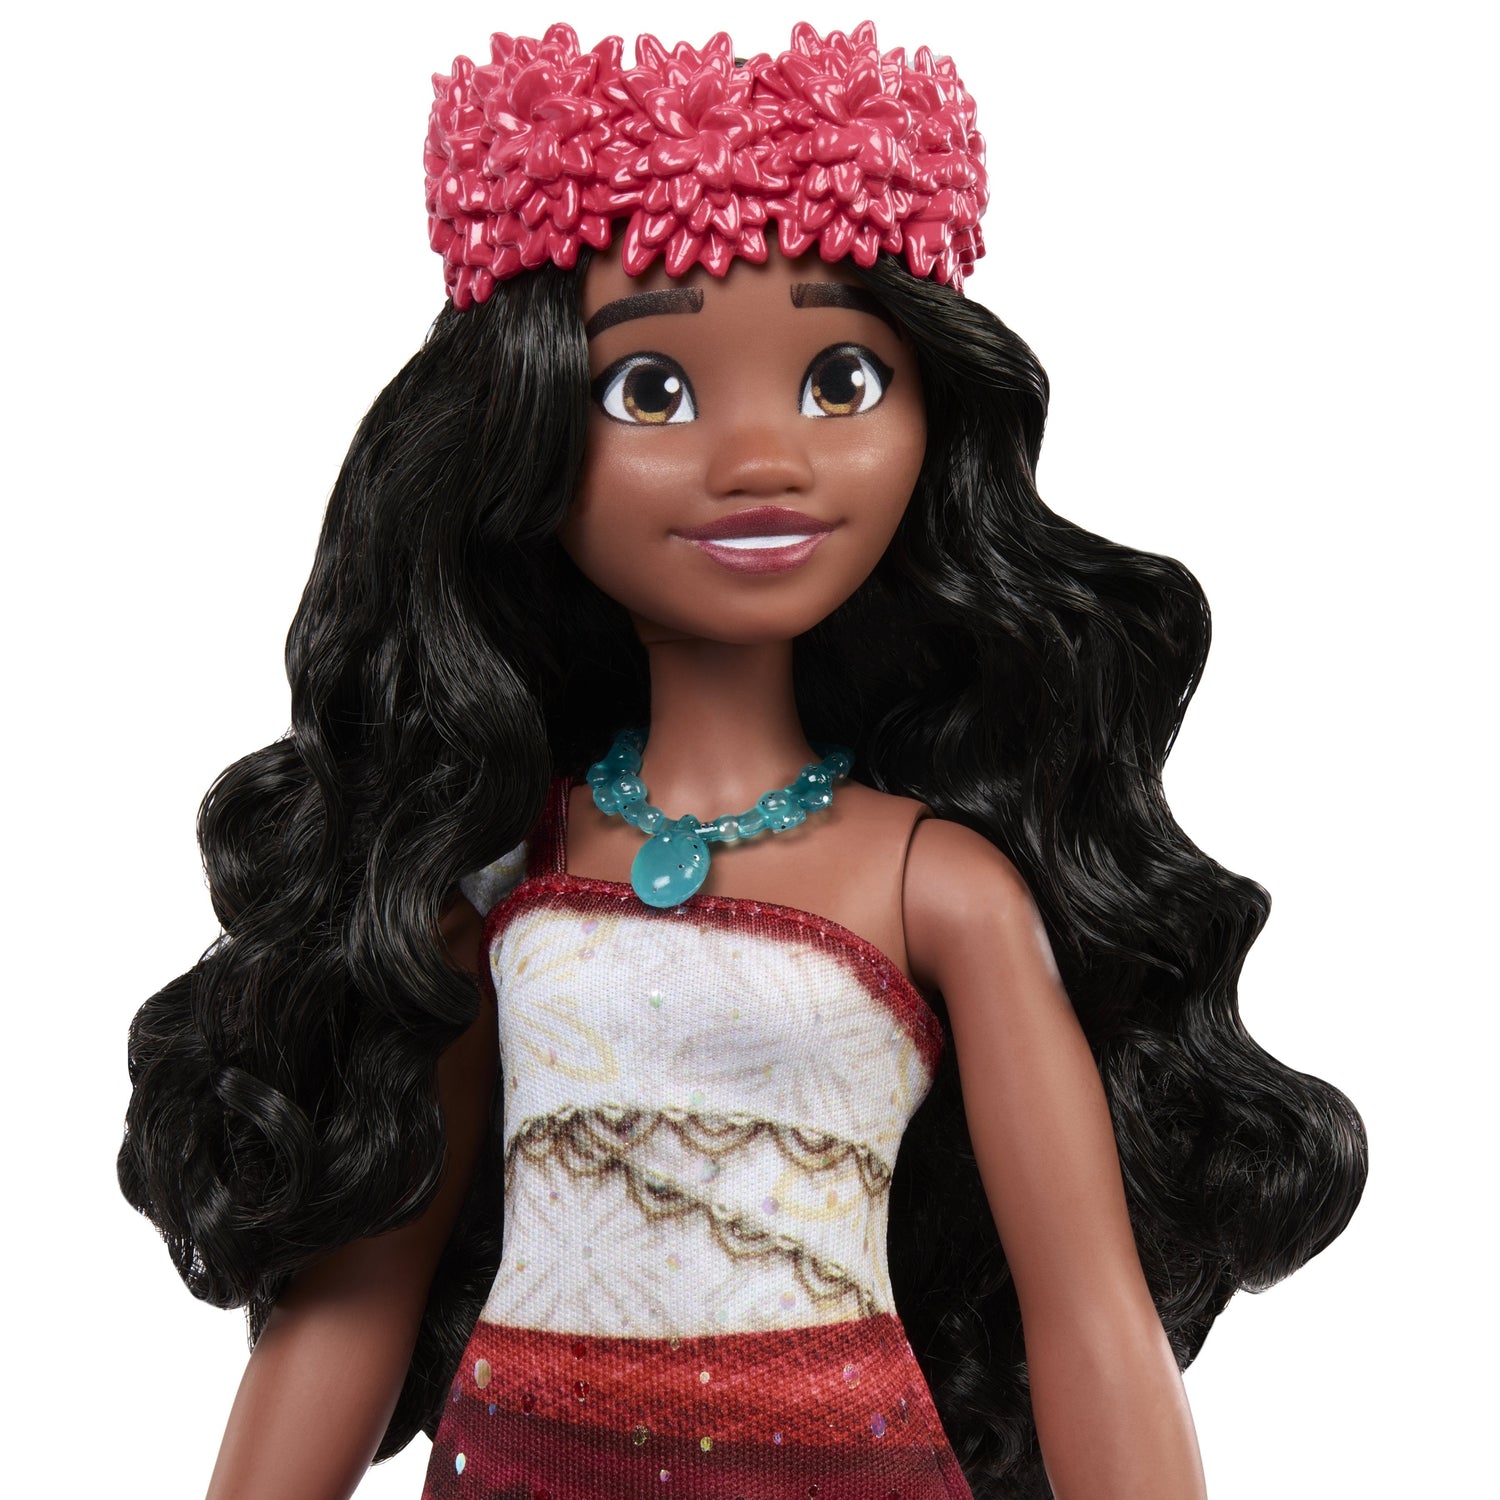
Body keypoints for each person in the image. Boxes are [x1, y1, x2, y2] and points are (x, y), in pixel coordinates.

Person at [118, 22, 1367, 1500]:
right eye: (650, 391)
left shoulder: (938, 885)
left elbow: (1089, 1315)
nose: (764, 460)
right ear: (522, 430)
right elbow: (355, 1308)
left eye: (841, 379)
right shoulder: (497, 874)